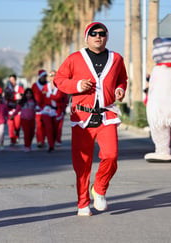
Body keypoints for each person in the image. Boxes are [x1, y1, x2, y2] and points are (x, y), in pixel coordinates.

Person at [54, 22, 128, 216]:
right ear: (87, 37)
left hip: (107, 114)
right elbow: (59, 80)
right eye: (93, 33)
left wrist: (120, 89)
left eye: (102, 33)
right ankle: (83, 203)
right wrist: (77, 85)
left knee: (111, 155)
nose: (98, 36)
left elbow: (122, 78)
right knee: (82, 163)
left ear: (107, 37)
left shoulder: (116, 58)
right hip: (82, 116)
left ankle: (100, 188)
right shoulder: (75, 58)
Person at [41, 70, 66, 152]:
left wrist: (48, 95)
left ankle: (53, 141)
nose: (52, 77)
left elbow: (58, 97)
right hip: (46, 109)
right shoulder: (45, 86)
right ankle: (50, 145)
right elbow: (42, 98)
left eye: (54, 75)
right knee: (49, 128)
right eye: (51, 75)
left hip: (57, 110)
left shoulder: (60, 87)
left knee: (55, 129)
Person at [10, 88, 37, 152]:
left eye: (30, 94)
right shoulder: (21, 102)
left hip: (32, 119)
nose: (28, 95)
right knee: (26, 133)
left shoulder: (34, 102)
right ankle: (27, 146)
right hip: (24, 119)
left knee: (32, 133)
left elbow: (38, 108)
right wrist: (13, 115)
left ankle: (29, 144)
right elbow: (17, 110)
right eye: (27, 93)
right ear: (25, 94)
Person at [4, 74, 24, 145]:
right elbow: (6, 98)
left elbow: (22, 97)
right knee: (10, 125)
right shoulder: (7, 89)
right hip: (10, 109)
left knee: (17, 125)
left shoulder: (20, 88)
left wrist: (16, 97)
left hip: (18, 110)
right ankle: (12, 140)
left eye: (13, 80)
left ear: (15, 80)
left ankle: (17, 135)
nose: (12, 81)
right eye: (10, 80)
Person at [31, 69, 48, 148]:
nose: (45, 78)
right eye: (43, 76)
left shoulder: (48, 85)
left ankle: (43, 140)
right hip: (37, 108)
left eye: (45, 76)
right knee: (39, 125)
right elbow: (31, 96)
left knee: (45, 125)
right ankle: (39, 141)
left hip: (47, 107)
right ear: (40, 77)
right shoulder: (35, 85)